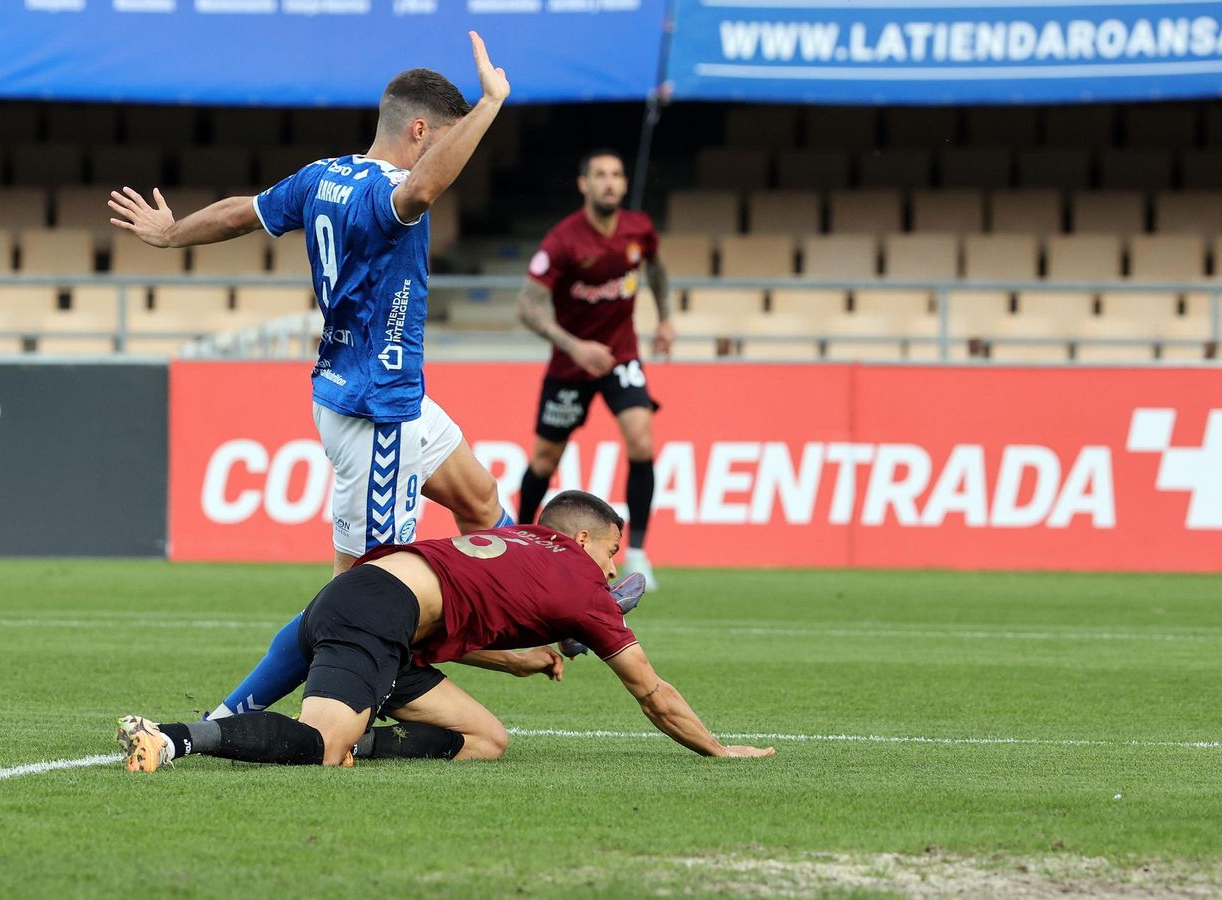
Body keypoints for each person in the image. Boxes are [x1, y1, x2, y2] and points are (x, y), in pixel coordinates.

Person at [110, 32, 517, 719]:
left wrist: (174, 233)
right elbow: (423, 185)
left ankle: (548, 606)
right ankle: (231, 717)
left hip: (385, 394)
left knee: (480, 500)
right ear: (421, 131)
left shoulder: (323, 176)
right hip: (373, 411)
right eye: (449, 140)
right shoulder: (388, 192)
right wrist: (491, 104)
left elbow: (245, 211)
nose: (455, 153)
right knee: (357, 600)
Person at [117, 490, 776, 770]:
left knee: (486, 739)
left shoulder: (516, 539)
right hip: (373, 616)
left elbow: (465, 613)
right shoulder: (581, 581)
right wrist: (717, 751)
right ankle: (172, 738)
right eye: (612, 553)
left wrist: (523, 661)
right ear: (581, 538)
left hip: (367, 603)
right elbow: (652, 693)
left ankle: (358, 743)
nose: (612, 571)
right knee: (320, 745)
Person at [514, 149, 673, 591]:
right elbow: (526, 308)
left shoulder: (639, 230)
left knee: (642, 439)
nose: (609, 182)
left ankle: (637, 547)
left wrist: (664, 319)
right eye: (599, 175)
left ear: (623, 184)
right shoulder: (563, 240)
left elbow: (657, 272)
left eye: (616, 175)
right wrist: (575, 345)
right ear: (583, 184)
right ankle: (517, 545)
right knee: (545, 460)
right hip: (571, 363)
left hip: (621, 355)